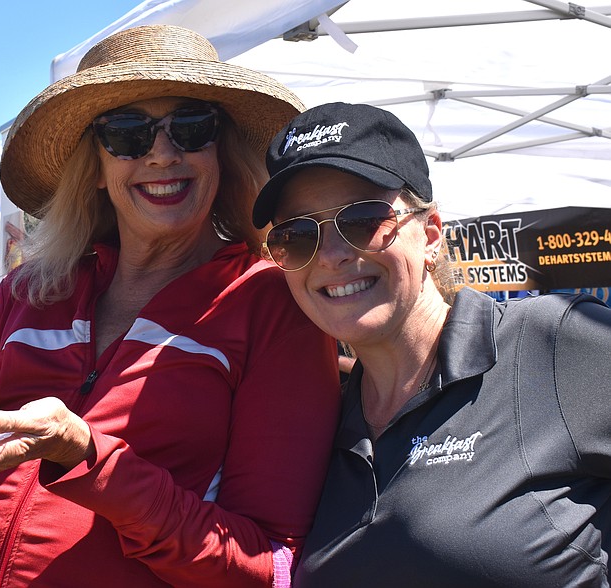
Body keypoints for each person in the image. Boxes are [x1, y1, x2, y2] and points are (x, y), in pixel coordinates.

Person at [0, 25, 342, 587]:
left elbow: (267, 566)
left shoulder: (271, 304)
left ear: (225, 150)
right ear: (93, 165)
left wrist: (87, 459)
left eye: (192, 127)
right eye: (127, 134)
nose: (163, 153)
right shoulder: (27, 294)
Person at [252, 101, 611, 587]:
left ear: (431, 234)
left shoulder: (552, 344)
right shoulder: (323, 422)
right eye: (297, 236)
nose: (332, 256)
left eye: (363, 221)